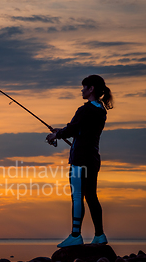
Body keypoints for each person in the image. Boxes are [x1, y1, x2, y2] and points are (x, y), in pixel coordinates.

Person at [46, 75, 113, 247]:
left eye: (84, 87)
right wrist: (62, 131)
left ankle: (75, 235)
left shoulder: (85, 110)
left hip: (80, 159)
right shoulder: (101, 110)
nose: (81, 90)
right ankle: (100, 235)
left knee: (77, 196)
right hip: (93, 158)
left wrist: (56, 135)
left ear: (91, 89)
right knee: (91, 196)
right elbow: (80, 130)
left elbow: (74, 128)